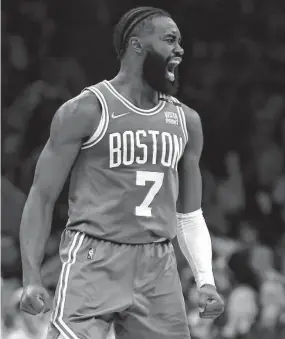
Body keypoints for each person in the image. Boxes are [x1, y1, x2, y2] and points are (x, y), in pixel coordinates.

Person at [20, 6, 224, 339]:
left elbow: (189, 214)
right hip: (94, 255)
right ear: (137, 45)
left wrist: (205, 279)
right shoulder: (86, 109)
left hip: (157, 262)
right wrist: (31, 277)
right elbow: (42, 197)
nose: (180, 49)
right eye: (170, 39)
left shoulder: (186, 121)